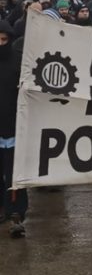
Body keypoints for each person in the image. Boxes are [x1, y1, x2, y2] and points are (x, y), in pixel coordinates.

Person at [0, 21, 27, 238]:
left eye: (3, 40)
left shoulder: (18, 62)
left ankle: (16, 213)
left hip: (15, 128)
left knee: (15, 175)